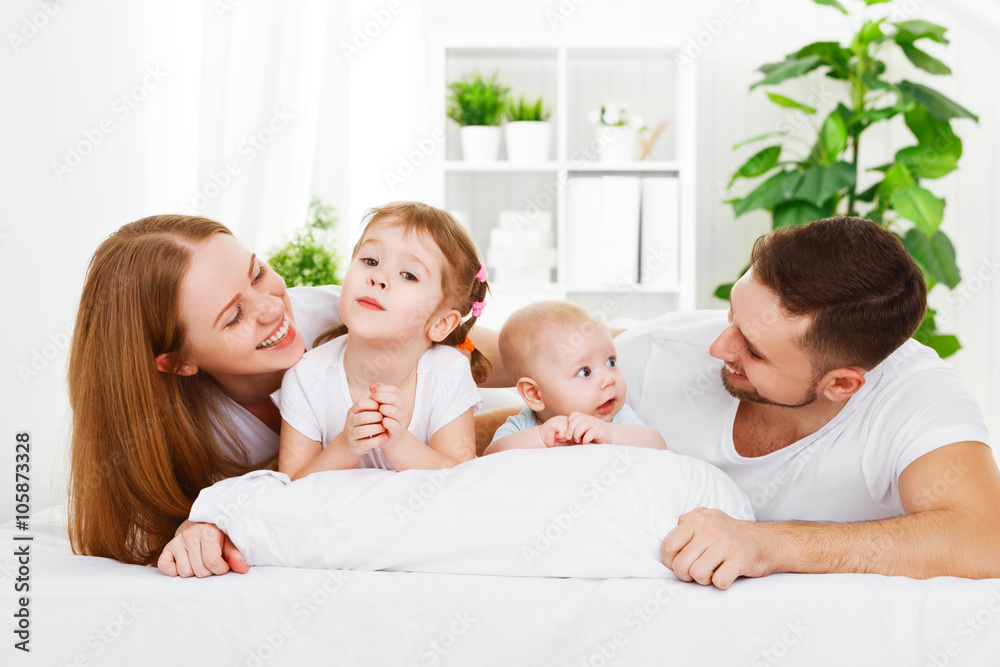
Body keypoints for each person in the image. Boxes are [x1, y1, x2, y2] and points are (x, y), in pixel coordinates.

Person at [67, 212, 508, 577]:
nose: (274, 308)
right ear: (179, 362)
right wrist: (203, 524)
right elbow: (269, 492)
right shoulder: (180, 431)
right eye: (234, 316)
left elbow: (500, 354)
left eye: (258, 273)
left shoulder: (350, 314)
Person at [611, 216, 1000, 589]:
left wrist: (769, 544)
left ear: (841, 384)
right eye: (732, 314)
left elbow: (984, 539)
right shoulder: (655, 355)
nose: (717, 347)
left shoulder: (915, 396)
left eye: (754, 351)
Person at [276, 202, 488, 478]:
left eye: (408, 275)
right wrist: (344, 448)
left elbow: (461, 478)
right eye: (370, 261)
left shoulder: (447, 373)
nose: (378, 277)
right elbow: (292, 483)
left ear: (440, 323)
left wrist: (399, 443)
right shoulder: (306, 376)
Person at [483, 301, 665, 454]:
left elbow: (657, 444)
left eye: (610, 362)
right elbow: (491, 458)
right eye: (585, 372)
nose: (609, 379)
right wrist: (540, 437)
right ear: (535, 394)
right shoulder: (523, 426)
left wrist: (609, 433)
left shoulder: (616, 419)